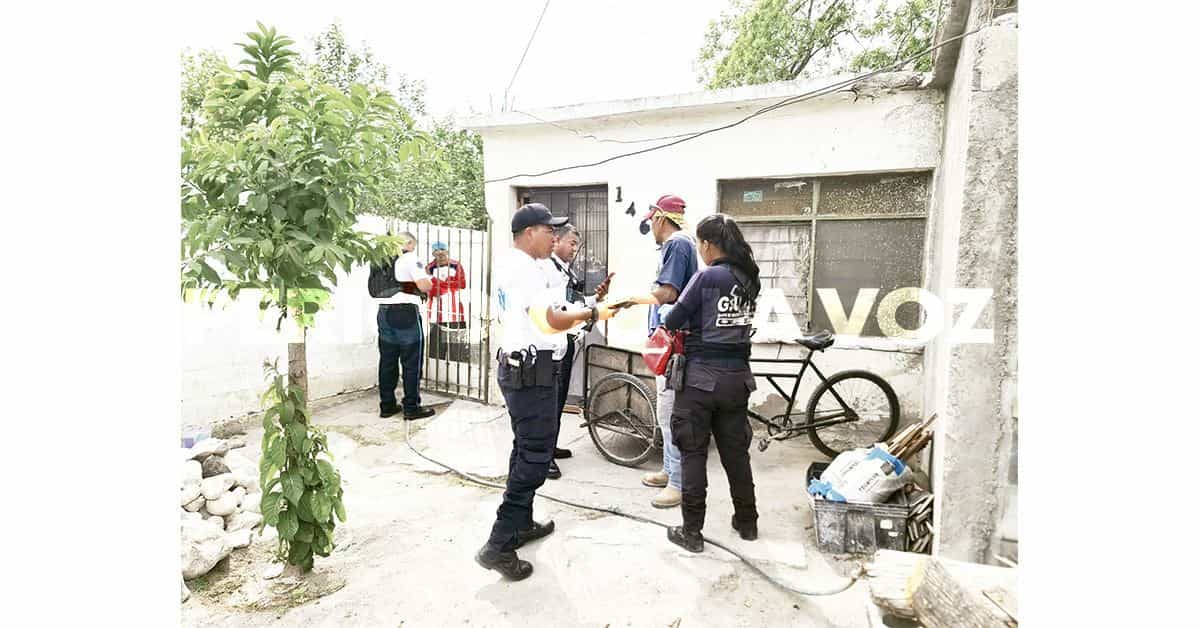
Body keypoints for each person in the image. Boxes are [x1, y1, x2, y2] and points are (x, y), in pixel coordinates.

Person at [476, 203, 629, 581]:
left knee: (524, 450)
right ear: (530, 233)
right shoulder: (525, 268)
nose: (555, 238)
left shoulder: (517, 265)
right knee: (534, 459)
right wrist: (595, 315)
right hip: (531, 374)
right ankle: (498, 544)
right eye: (550, 231)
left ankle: (521, 524)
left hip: (523, 370)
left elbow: (555, 310)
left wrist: (593, 306)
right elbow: (551, 320)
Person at [659, 213, 762, 553]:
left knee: (693, 453)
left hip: (701, 380)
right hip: (737, 380)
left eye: (700, 244)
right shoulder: (749, 278)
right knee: (736, 454)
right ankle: (747, 523)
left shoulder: (708, 277)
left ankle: (692, 533)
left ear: (706, 244)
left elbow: (674, 318)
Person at [632, 195, 700, 509]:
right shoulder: (682, 245)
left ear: (661, 218)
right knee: (665, 410)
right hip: (671, 341)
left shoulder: (677, 244)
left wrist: (629, 299)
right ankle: (670, 470)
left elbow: (668, 292)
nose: (651, 228)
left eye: (651, 221)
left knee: (671, 413)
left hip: (675, 344)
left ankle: (678, 483)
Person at [539, 223, 613, 479]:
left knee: (558, 400)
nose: (574, 249)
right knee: (549, 401)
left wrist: (596, 299)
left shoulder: (562, 270)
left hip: (564, 341)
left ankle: (550, 445)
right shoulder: (546, 269)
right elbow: (557, 311)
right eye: (571, 243)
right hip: (550, 345)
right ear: (556, 240)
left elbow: (573, 303)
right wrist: (591, 311)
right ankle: (543, 456)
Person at [376, 231, 436, 420]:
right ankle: (411, 407)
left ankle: (387, 406)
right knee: (411, 362)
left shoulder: (383, 259)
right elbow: (425, 286)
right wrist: (429, 280)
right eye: (414, 245)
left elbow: (389, 287)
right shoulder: (410, 258)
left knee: (387, 361)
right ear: (409, 243)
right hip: (406, 314)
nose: (414, 249)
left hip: (384, 312)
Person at [426, 241, 469, 361]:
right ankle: (436, 376)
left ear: (447, 251)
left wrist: (439, 284)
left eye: (442, 249)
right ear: (433, 253)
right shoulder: (429, 267)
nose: (440, 252)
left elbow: (462, 283)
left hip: (455, 314)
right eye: (436, 250)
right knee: (436, 349)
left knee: (457, 349)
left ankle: (458, 375)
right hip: (436, 314)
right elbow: (430, 288)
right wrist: (449, 283)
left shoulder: (456, 265)